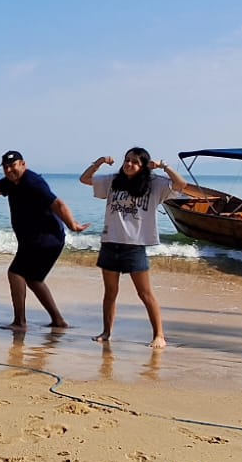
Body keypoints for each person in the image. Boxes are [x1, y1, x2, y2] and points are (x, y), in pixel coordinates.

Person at [79, 148, 190, 348]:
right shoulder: (114, 181)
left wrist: (164, 166)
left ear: (143, 166)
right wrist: (100, 161)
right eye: (127, 160)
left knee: (145, 293)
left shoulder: (154, 184)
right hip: (110, 242)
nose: (129, 164)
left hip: (135, 245)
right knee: (110, 292)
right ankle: (106, 332)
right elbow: (85, 179)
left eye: (135, 162)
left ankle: (159, 335)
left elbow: (181, 185)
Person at [0, 150, 89, 330]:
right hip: (35, 240)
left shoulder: (32, 181)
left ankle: (20, 323)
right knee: (33, 279)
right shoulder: (11, 182)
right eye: (5, 167)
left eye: (12, 165)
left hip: (45, 238)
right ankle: (58, 321)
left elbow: (58, 204)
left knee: (15, 273)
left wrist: (72, 224)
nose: (9, 170)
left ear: (23, 164)